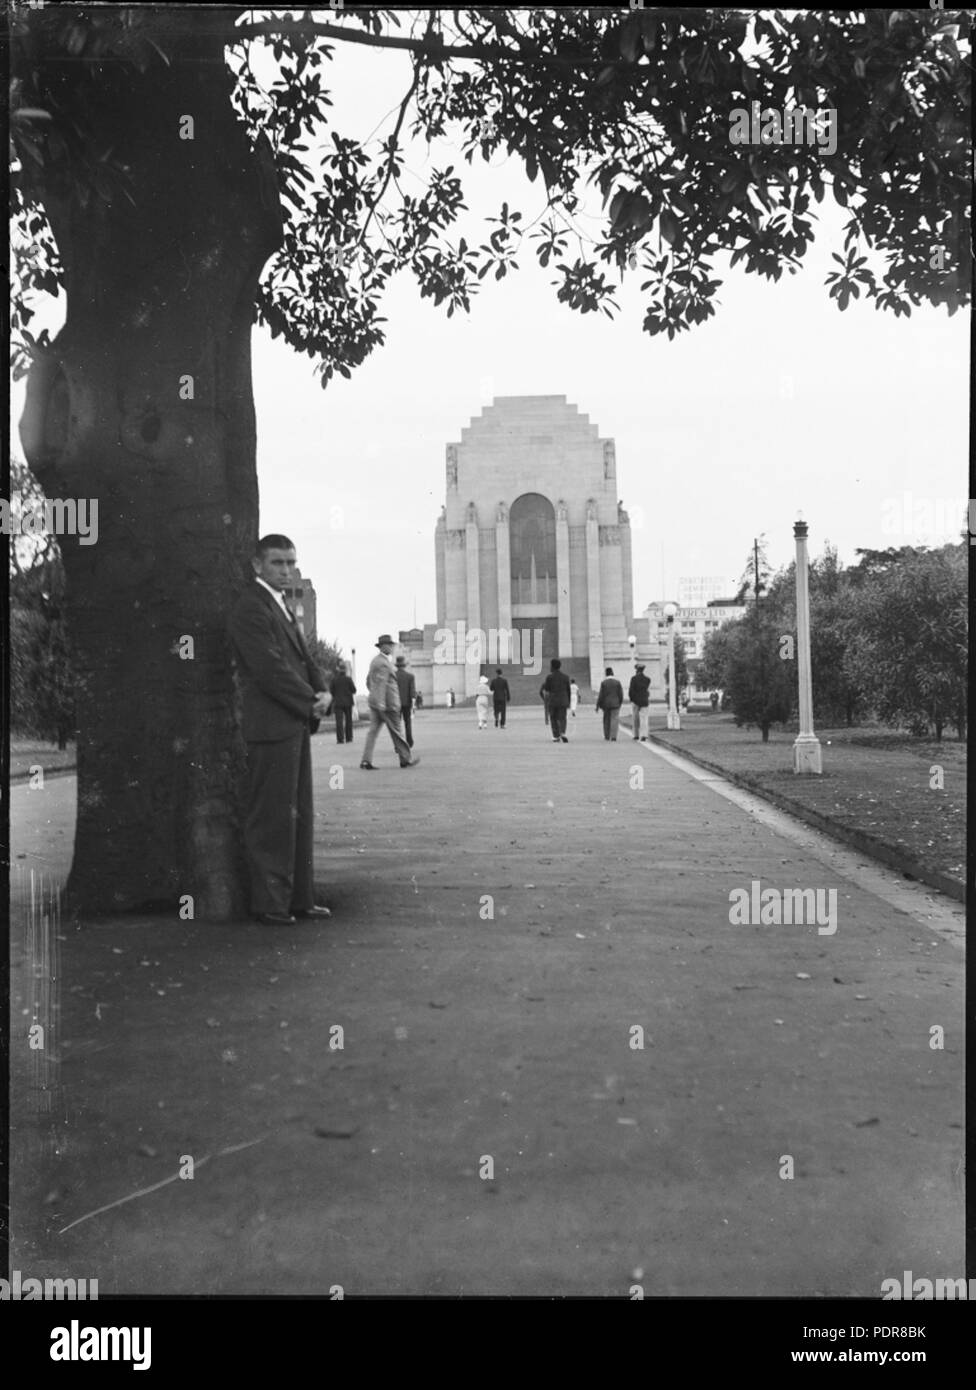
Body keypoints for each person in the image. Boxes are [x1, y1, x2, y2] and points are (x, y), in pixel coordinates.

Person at [228, 533, 333, 926]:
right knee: (272, 818)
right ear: (257, 565)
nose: (286, 570)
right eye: (278, 563)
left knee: (299, 814)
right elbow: (269, 669)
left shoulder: (281, 604)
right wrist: (310, 700)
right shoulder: (250, 608)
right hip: (270, 727)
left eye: (291, 562)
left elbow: (303, 658)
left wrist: (321, 691)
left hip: (290, 724)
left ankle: (300, 899)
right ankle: (271, 905)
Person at [361, 635, 420, 770]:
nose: (392, 647)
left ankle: (366, 760)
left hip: (375, 703)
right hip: (387, 704)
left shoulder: (374, 661)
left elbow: (368, 681)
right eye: (389, 645)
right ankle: (405, 759)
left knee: (372, 732)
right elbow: (382, 683)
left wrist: (374, 696)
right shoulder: (383, 663)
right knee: (397, 731)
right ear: (383, 646)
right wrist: (381, 702)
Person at [540, 658, 572, 742]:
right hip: (563, 700)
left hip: (553, 701)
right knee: (562, 718)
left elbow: (547, 689)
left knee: (553, 718)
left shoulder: (549, 677)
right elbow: (569, 691)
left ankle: (556, 735)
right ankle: (563, 732)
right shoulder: (566, 677)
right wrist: (568, 702)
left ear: (553, 667)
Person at [329, 660, 356, 745]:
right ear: (345, 670)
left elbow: (331, 691)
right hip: (348, 702)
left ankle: (340, 739)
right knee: (349, 721)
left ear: (338, 669)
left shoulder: (334, 679)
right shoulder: (348, 679)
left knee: (339, 722)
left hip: (338, 702)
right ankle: (349, 738)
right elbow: (354, 690)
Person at [596, 666, 624, 741]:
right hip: (615, 703)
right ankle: (614, 736)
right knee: (614, 719)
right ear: (612, 673)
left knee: (606, 720)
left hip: (606, 704)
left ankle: (607, 735)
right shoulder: (617, 682)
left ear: (606, 674)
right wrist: (620, 702)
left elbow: (601, 695)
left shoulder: (604, 683)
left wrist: (598, 705)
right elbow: (620, 694)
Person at [395, 655, 417, 748]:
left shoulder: (393, 676)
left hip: (395, 703)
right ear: (404, 665)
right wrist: (413, 705)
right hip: (407, 703)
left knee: (397, 725)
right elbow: (412, 692)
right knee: (408, 723)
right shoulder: (410, 676)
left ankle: (398, 744)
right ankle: (409, 742)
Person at [628, 663, 651, 742]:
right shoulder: (647, 679)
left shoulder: (634, 679)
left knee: (635, 719)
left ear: (637, 670)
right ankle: (644, 734)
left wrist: (631, 699)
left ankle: (636, 735)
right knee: (644, 718)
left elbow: (631, 690)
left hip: (636, 701)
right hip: (644, 700)